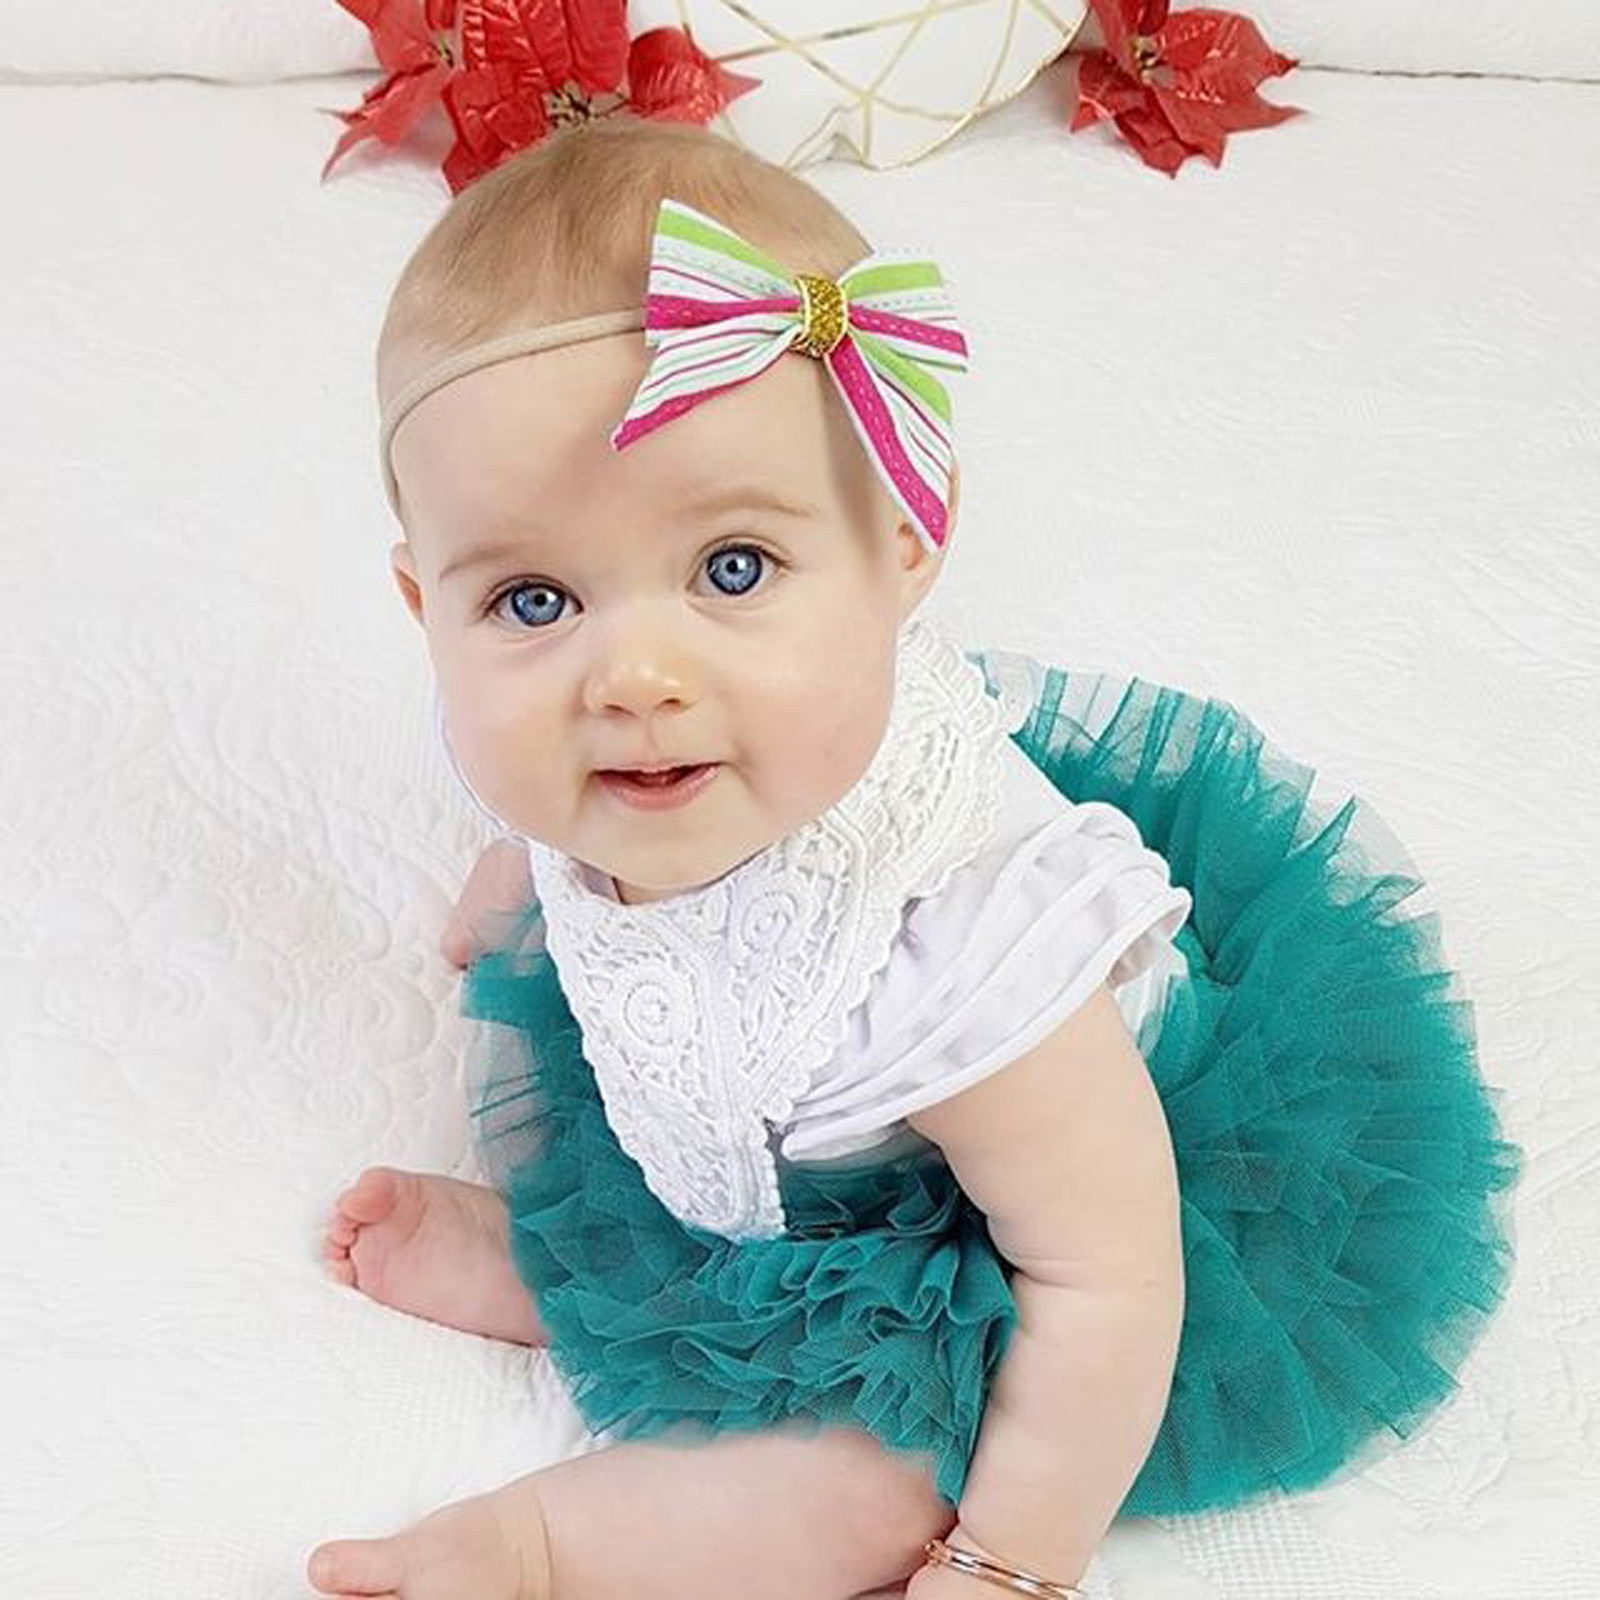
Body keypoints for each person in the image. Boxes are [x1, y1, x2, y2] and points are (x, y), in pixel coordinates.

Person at [311, 114, 1521, 1600]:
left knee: (874, 1474)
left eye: (732, 569)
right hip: (802, 1158)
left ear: (903, 549)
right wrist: (529, 874)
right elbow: (547, 797)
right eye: (532, 601)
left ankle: (545, 1544)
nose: (632, 680)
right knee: (657, 1118)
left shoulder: (970, 957)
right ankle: (563, 1271)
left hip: (1043, 1243)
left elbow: (1107, 1278)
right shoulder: (649, 770)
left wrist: (1013, 1561)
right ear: (422, 604)